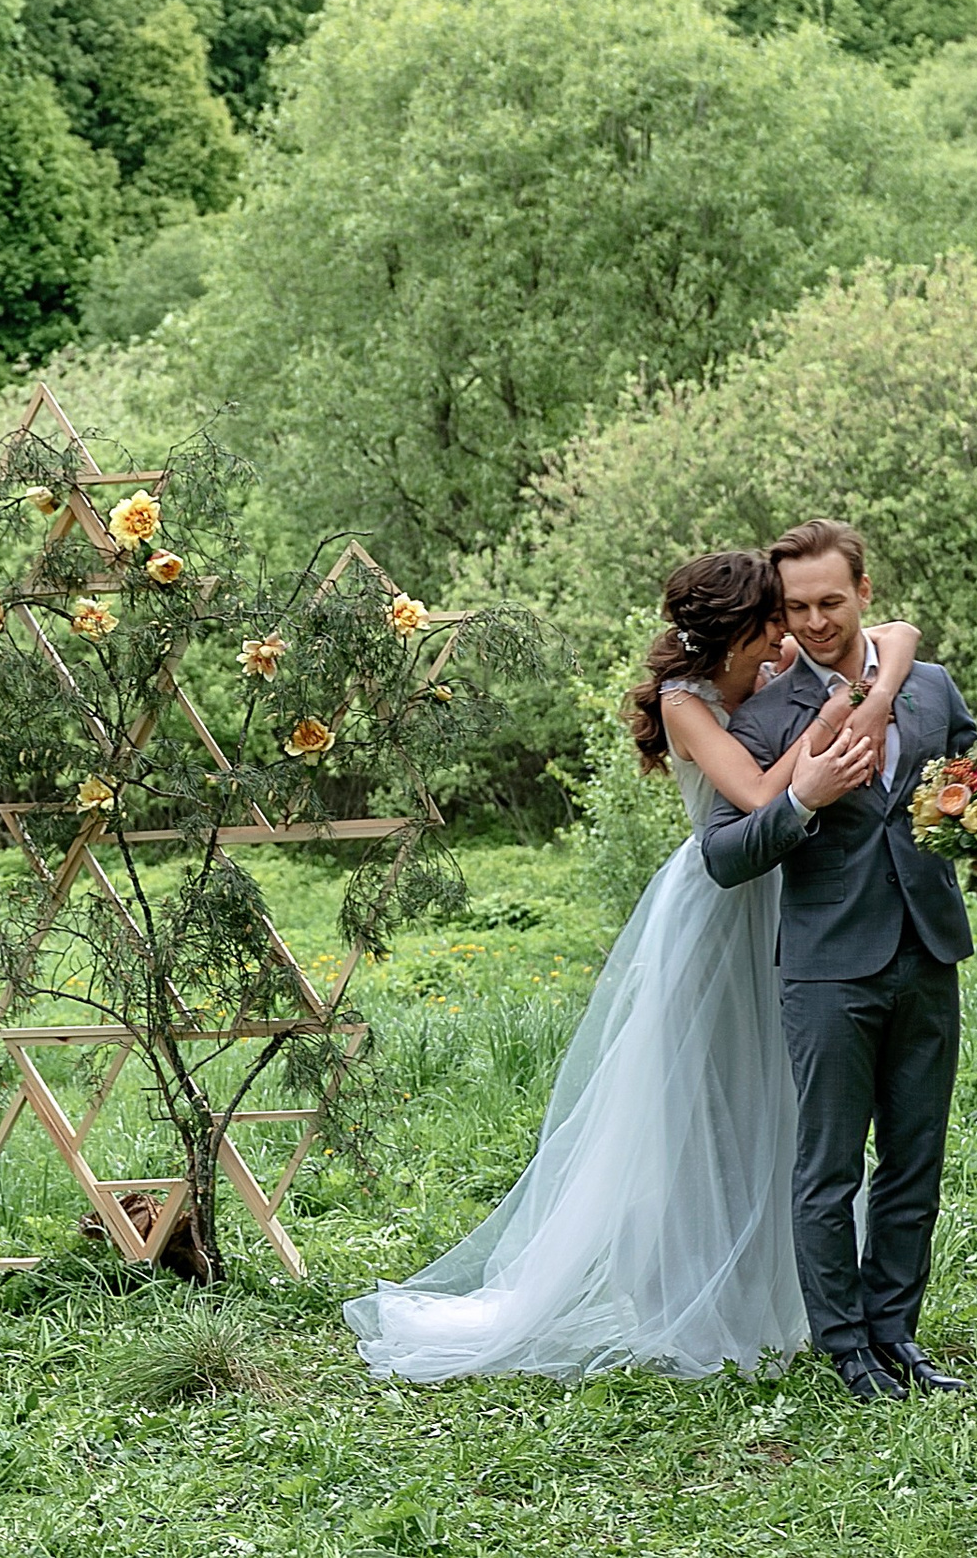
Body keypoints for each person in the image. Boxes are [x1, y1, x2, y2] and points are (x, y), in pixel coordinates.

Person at [343, 548, 914, 1384]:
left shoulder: (778, 657)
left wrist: (876, 687)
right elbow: (757, 795)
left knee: (781, 1095)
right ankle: (690, 1298)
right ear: (740, 628)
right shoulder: (686, 700)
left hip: (788, 899)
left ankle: (779, 1298)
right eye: (773, 619)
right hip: (718, 908)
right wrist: (834, 719)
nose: (789, 633)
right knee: (704, 1100)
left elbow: (897, 633)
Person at [697, 520, 977, 1404]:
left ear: (864, 590)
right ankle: (845, 1346)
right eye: (797, 608)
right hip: (826, 970)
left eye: (831, 601)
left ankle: (897, 1333)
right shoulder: (763, 719)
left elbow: (969, 777)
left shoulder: (928, 687)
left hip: (927, 951)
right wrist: (803, 800)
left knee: (915, 1158)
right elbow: (723, 855)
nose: (816, 622)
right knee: (829, 1168)